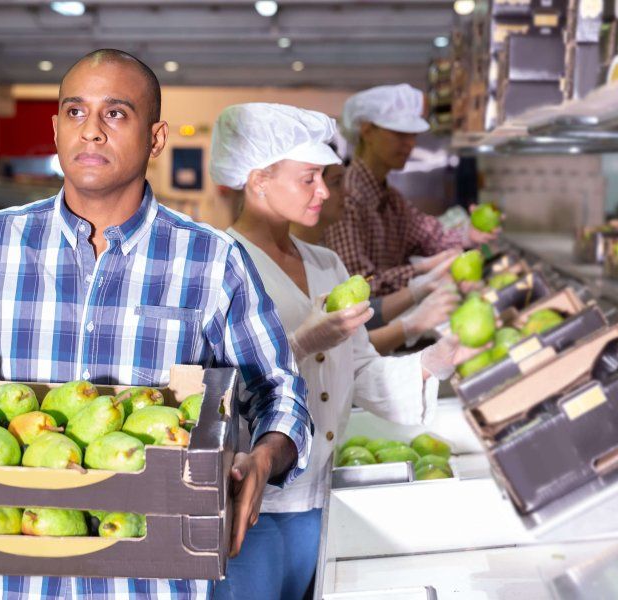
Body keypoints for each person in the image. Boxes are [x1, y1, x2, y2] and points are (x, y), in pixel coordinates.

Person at [0, 50, 313, 600]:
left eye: (115, 114)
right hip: (21, 580)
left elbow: (279, 391)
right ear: (56, 128)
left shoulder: (210, 259)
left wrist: (264, 456)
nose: (90, 131)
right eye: (74, 112)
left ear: (156, 138)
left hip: (158, 584)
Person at [208, 103, 460, 600]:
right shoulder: (218, 264)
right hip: (250, 503)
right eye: (309, 179)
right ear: (258, 179)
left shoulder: (327, 265)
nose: (324, 191)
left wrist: (437, 360)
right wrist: (302, 343)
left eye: (326, 177)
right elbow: (210, 391)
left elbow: (361, 371)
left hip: (324, 497)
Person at [324, 84, 499, 296]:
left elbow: (429, 236)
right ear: (367, 131)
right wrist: (421, 271)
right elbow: (359, 286)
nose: (410, 144)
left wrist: (468, 235)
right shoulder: (348, 198)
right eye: (400, 134)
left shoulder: (390, 198)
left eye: (413, 135)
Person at [292, 162, 460, 354]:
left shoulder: (327, 260)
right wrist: (412, 322)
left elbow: (356, 334)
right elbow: (348, 348)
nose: (345, 193)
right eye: (337, 182)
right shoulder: (282, 267)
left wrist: (421, 287)